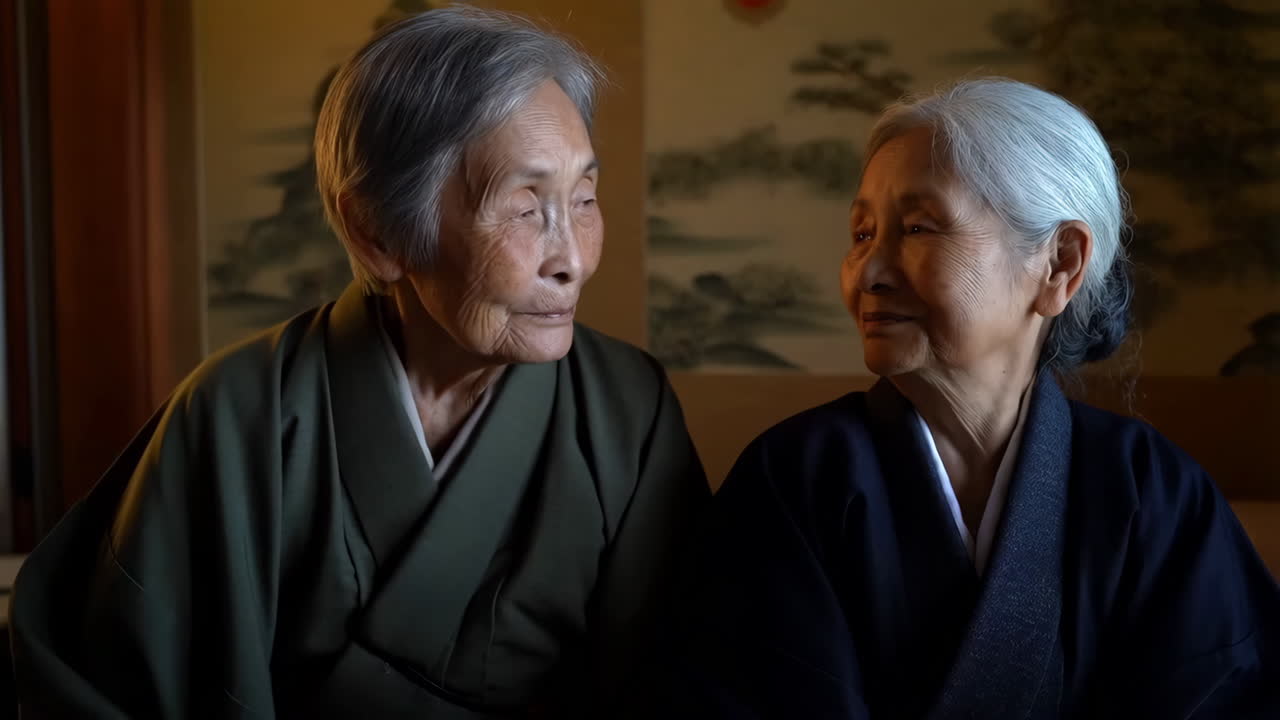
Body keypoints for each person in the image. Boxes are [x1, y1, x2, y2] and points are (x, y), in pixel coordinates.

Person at [11, 8, 708, 718]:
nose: (573, 259)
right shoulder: (236, 412)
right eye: (526, 210)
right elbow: (105, 678)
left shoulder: (628, 411)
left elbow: (687, 682)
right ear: (375, 232)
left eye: (585, 199)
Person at [665, 78, 1279, 718]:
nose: (869, 273)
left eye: (920, 227)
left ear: (1058, 264)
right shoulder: (796, 477)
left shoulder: (1152, 492)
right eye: (862, 234)